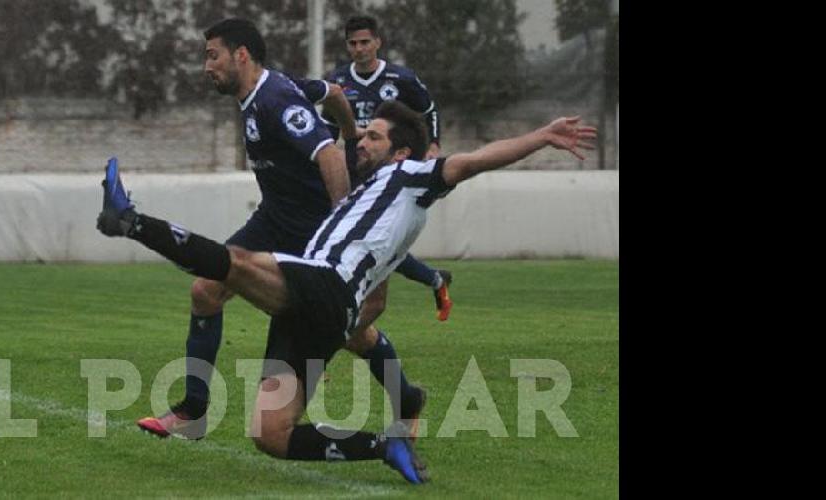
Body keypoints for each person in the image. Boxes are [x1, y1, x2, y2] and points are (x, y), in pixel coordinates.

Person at [97, 100, 596, 484]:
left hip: (325, 288)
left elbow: (470, 163)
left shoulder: (410, 177)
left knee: (234, 266)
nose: (362, 141)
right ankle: (384, 446)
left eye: (374, 136)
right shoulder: (372, 200)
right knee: (270, 436)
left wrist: (541, 136)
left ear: (401, 152)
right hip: (321, 312)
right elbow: (386, 265)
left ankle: (131, 220)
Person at [136, 18, 426, 443]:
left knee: (352, 332)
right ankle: (194, 410)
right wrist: (349, 131)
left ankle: (406, 399)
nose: (206, 66)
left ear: (241, 55)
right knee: (205, 291)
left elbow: (326, 156)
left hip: (312, 231)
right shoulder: (270, 90)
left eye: (212, 55)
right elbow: (333, 93)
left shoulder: (274, 99)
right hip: (274, 220)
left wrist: (340, 215)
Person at [323, 14, 455, 322]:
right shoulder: (339, 82)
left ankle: (333, 333)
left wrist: (433, 144)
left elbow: (429, 110)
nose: (359, 49)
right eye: (353, 43)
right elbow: (328, 127)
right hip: (354, 170)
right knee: (371, 240)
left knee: (374, 240)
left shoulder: (400, 79)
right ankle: (434, 279)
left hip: (391, 173)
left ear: (377, 43)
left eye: (365, 42)